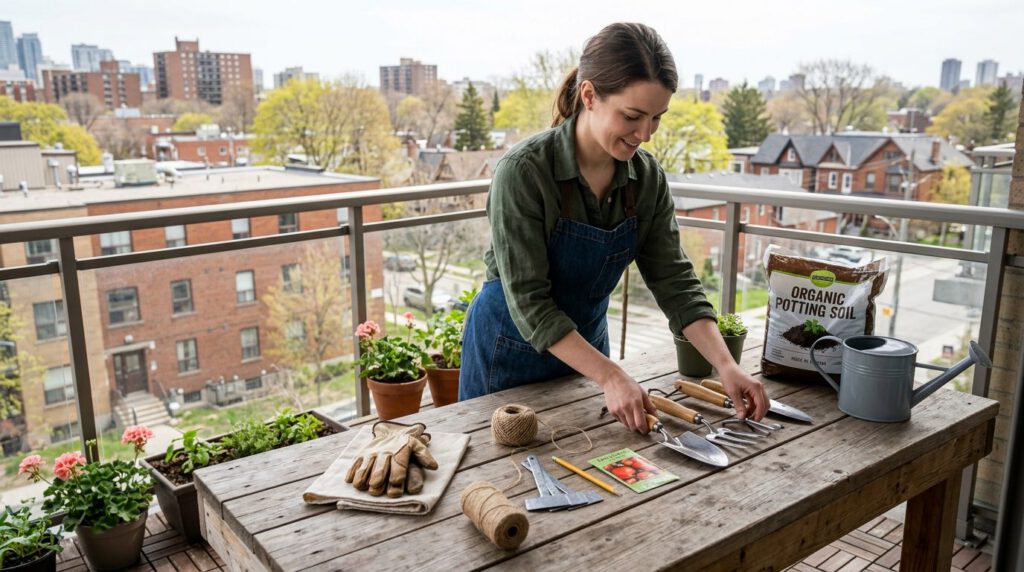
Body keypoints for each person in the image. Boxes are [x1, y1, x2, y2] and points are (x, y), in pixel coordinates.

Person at [458, 22, 768, 432]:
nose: (646, 134)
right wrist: (610, 375)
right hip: (508, 355)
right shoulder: (524, 172)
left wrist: (726, 365)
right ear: (589, 96)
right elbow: (531, 303)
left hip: (588, 358)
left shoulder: (647, 179)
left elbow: (675, 282)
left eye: (657, 118)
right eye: (632, 116)